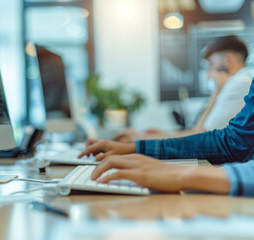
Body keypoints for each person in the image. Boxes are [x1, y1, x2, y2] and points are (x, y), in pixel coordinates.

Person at [78, 76, 254, 196]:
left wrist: (182, 174)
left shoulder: (237, 82)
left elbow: (218, 136)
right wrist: (136, 147)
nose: (208, 74)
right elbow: (235, 141)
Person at [116, 35, 252, 142]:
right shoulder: (239, 82)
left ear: (229, 61)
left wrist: (139, 138)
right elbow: (199, 133)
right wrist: (154, 136)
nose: (208, 74)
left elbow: (201, 136)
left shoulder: (239, 84)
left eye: (211, 64)